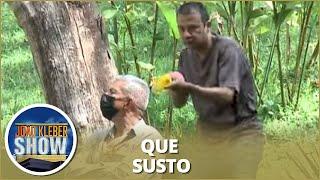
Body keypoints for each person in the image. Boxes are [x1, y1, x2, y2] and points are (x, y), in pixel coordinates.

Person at [166, 2, 265, 178]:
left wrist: (188, 87)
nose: (186, 34)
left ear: (207, 26)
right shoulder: (185, 56)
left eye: (193, 28)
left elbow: (228, 95)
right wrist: (176, 89)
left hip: (242, 132)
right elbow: (179, 103)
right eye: (181, 29)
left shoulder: (228, 49)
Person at [66, 75, 162, 178]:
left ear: (128, 102)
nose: (105, 96)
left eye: (112, 92)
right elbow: (70, 171)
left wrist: (88, 169)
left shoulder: (150, 139)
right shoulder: (97, 137)